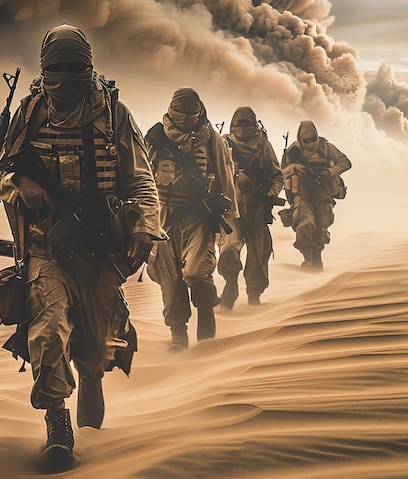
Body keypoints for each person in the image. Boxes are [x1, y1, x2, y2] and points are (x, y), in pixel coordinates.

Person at [0, 24, 165, 464]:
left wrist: (144, 226)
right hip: (46, 249)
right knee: (48, 334)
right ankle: (57, 427)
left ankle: (91, 386)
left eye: (75, 70)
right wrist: (20, 183)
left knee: (93, 348)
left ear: (89, 67)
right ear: (44, 70)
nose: (65, 79)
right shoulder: (29, 114)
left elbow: (141, 178)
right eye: (57, 70)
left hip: (101, 248)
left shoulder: (114, 114)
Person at [145, 87, 237, 352]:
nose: (185, 116)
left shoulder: (212, 141)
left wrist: (228, 218)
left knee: (197, 271)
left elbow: (225, 178)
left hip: (200, 215)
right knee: (170, 280)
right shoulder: (155, 138)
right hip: (162, 216)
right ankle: (178, 336)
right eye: (180, 110)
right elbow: (142, 175)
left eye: (190, 111)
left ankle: (206, 326)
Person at [217, 107, 284, 307]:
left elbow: (277, 175)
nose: (243, 127)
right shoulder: (222, 144)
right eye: (239, 122)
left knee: (258, 255)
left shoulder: (263, 145)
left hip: (256, 209)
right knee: (229, 248)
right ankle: (230, 285)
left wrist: (269, 196)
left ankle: (254, 294)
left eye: (247, 122)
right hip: (230, 210)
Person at [280, 120, 351, 269]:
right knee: (304, 226)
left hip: (323, 196)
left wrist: (329, 172)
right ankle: (308, 260)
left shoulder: (326, 148)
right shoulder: (293, 152)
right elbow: (280, 174)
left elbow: (345, 162)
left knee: (321, 232)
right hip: (303, 196)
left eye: (313, 139)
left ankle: (317, 261)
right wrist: (294, 167)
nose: (311, 143)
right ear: (300, 139)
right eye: (307, 140)